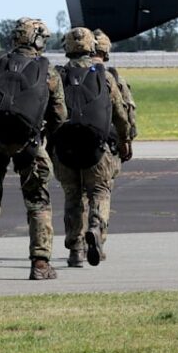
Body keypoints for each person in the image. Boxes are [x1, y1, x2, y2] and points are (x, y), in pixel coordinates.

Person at [0, 17, 67, 280]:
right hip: (30, 144)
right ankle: (41, 263)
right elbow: (59, 116)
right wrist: (50, 141)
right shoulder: (47, 70)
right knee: (38, 201)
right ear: (38, 40)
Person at [53, 27, 132, 268]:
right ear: (92, 47)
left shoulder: (56, 75)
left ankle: (76, 250)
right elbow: (120, 114)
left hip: (65, 148)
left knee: (72, 197)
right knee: (99, 191)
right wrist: (125, 139)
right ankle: (96, 228)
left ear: (67, 47)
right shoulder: (105, 76)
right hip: (97, 148)